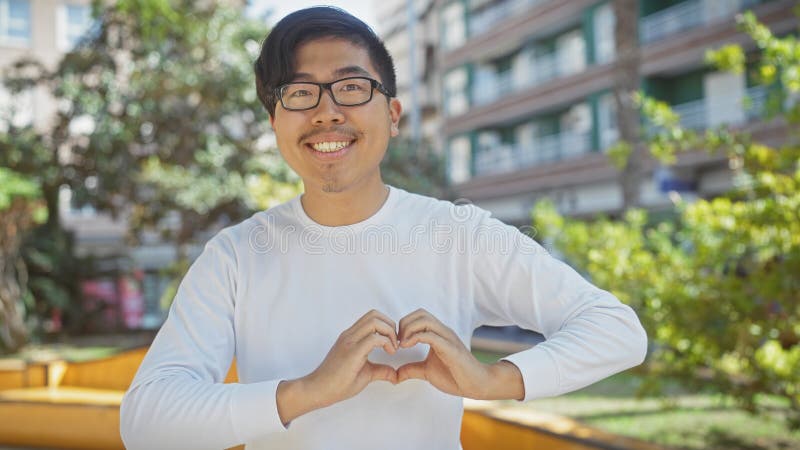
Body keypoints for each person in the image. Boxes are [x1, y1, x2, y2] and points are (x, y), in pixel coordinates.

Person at [119, 6, 647, 450]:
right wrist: (308, 391)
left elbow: (616, 330)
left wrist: (494, 380)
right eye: (300, 94)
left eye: (351, 87)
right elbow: (146, 420)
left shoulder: (457, 235)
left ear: (393, 114)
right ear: (275, 123)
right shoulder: (236, 255)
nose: (327, 112)